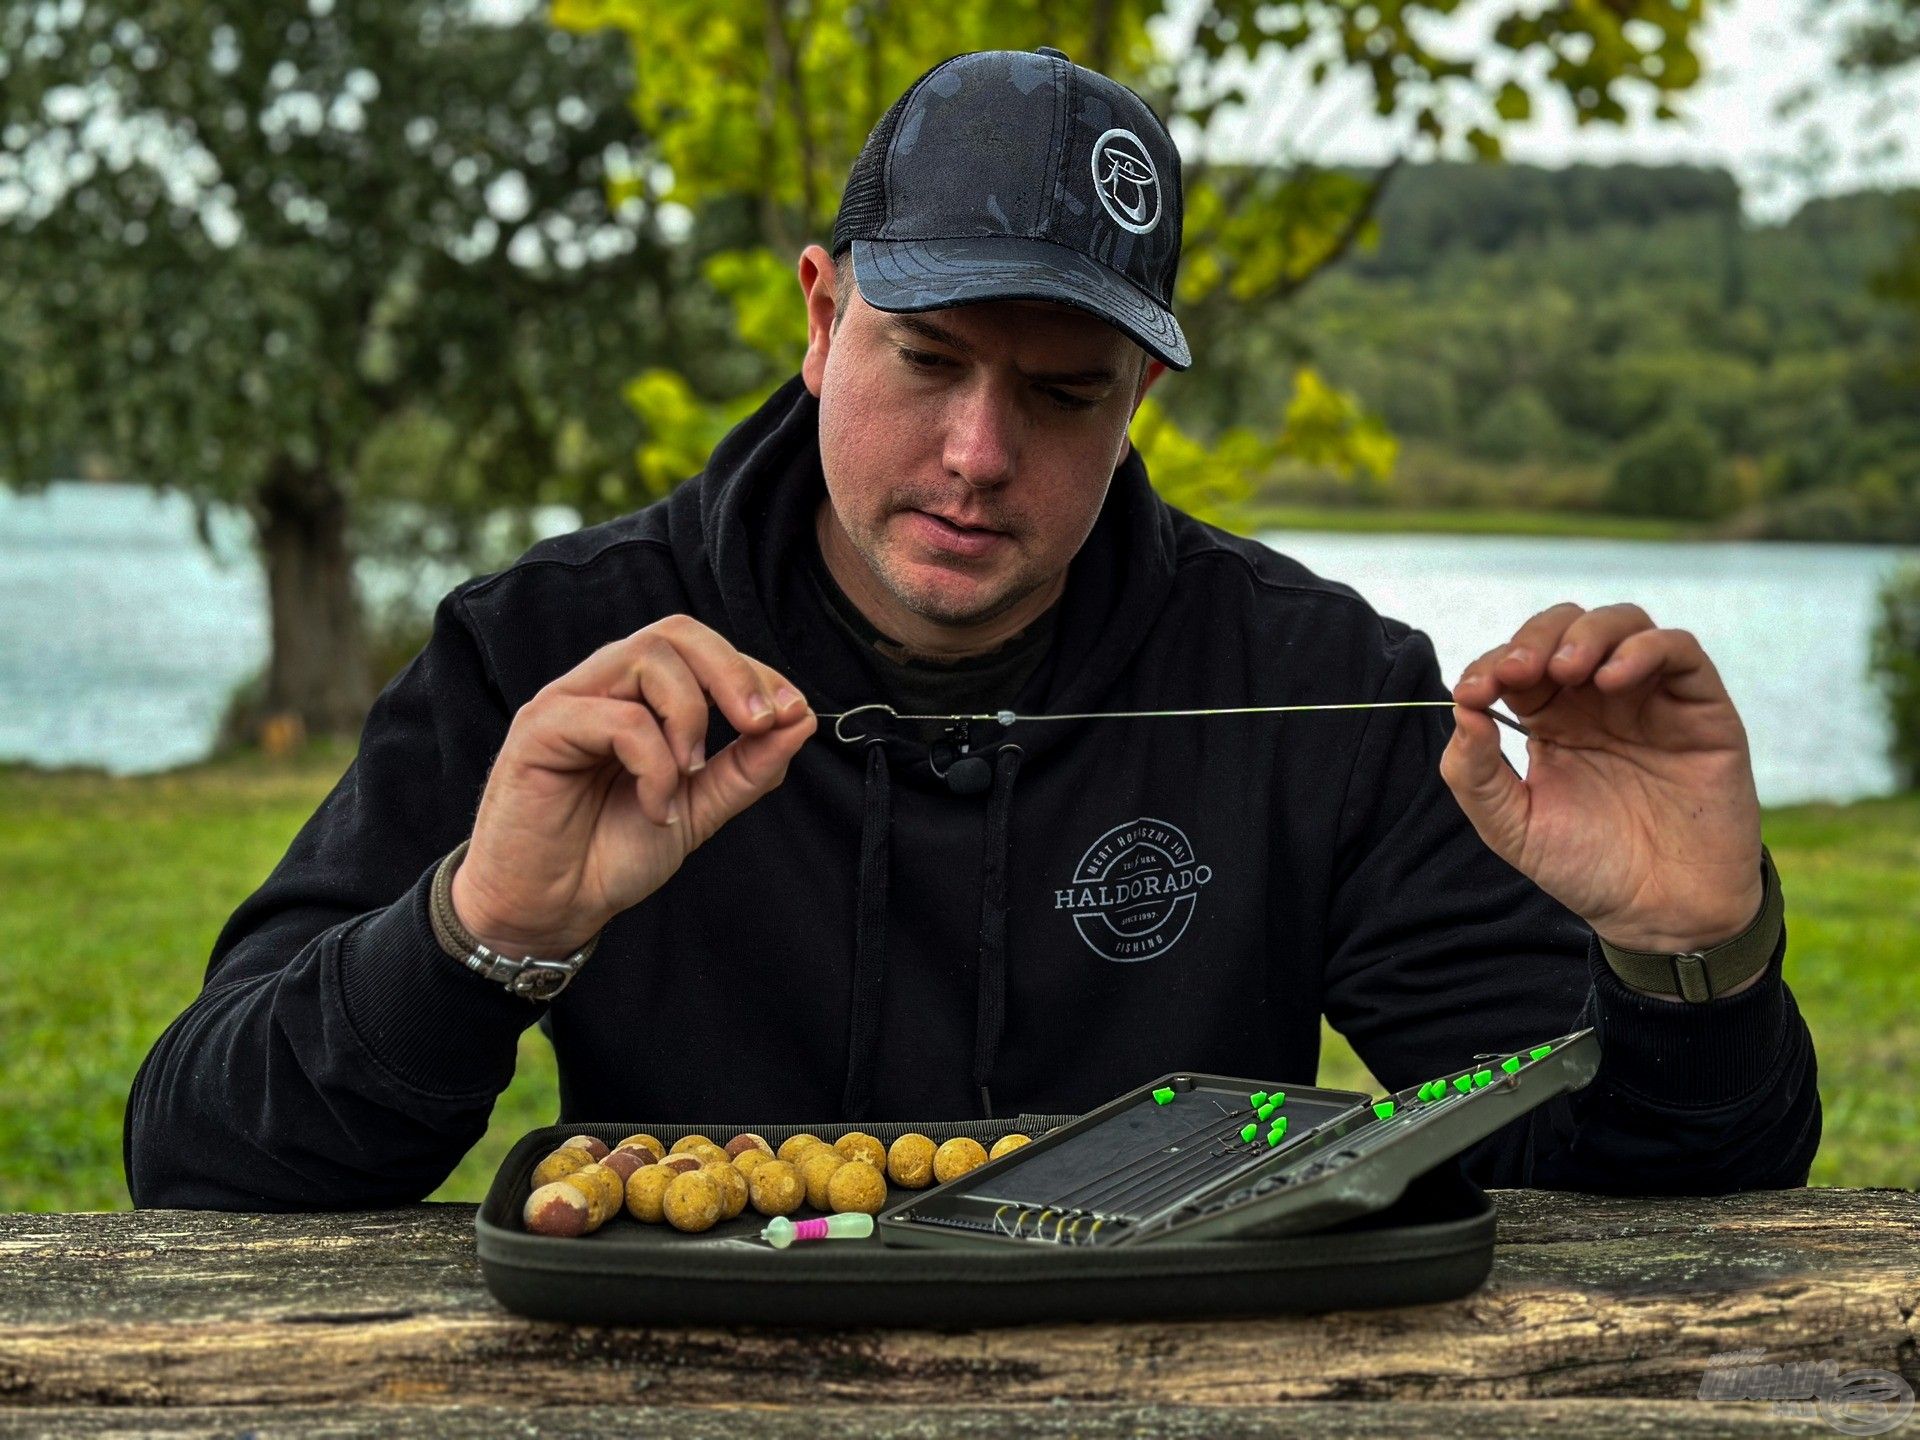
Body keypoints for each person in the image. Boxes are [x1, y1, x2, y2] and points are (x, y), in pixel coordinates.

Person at [126, 48, 1816, 1210]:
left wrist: (1690, 964)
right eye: (928, 360)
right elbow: (193, 1159)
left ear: (1143, 393)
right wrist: (478, 932)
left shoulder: (1314, 690)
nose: (978, 456)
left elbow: (1635, 1205)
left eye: (1065, 394)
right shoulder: (549, 657)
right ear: (821, 311)